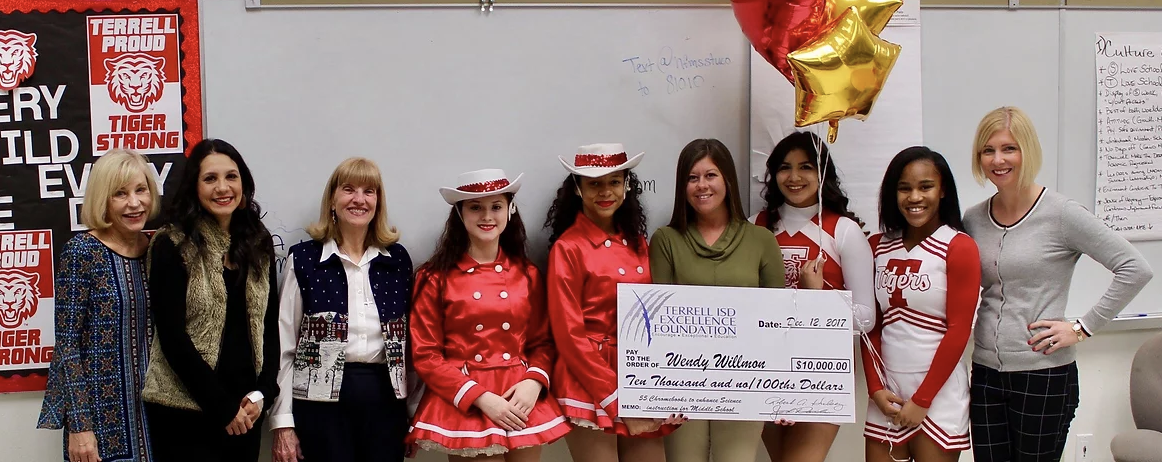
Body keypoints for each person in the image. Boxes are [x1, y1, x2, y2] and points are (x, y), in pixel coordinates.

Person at [963, 107, 1154, 461]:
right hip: (986, 373)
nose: (998, 159)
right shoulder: (973, 219)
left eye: (1009, 148)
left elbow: (1134, 268)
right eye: (988, 150)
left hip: (1043, 376)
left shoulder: (1061, 214)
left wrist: (1082, 328)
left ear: (1028, 151)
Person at [407, 169, 569, 460]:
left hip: (521, 398)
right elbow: (426, 355)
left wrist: (534, 383)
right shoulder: (434, 278)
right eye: (476, 207)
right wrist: (480, 398)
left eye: (496, 206)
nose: (487, 216)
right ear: (459, 213)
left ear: (510, 210)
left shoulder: (528, 275)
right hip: (468, 400)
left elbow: (543, 342)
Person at [141, 139, 280, 462]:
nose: (222, 188)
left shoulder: (258, 243)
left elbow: (268, 326)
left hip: (246, 412)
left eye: (231, 177)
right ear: (194, 187)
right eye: (210, 179)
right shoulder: (172, 243)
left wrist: (262, 394)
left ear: (243, 184)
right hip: (184, 412)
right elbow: (173, 339)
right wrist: (223, 407)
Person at [543, 143, 683, 462]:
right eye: (594, 183)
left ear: (626, 185)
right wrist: (617, 399)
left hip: (640, 373)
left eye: (614, 182)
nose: (605, 192)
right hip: (588, 378)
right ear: (578, 189)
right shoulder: (568, 248)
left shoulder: (639, 243)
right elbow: (568, 336)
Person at [269, 157, 414, 462]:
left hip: (385, 404)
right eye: (349, 189)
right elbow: (284, 346)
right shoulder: (306, 260)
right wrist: (283, 423)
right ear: (333, 199)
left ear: (378, 202)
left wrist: (414, 414)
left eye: (369, 191)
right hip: (320, 408)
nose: (359, 199)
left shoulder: (397, 261)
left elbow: (410, 346)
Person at [650, 138, 785, 462]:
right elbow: (657, 325)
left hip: (746, 383)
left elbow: (778, 322)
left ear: (727, 180)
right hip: (682, 383)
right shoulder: (665, 240)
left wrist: (783, 391)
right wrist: (661, 393)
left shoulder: (761, 240)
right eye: (692, 178)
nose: (701, 186)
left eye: (710, 175)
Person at [752, 131, 876, 462]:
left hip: (824, 369)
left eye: (805, 167)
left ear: (823, 173)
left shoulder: (844, 231)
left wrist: (816, 300)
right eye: (784, 167)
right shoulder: (755, 227)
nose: (794, 177)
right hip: (764, 368)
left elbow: (866, 316)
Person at [37, 149, 161, 462]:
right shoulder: (82, 253)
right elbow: (67, 346)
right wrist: (79, 426)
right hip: (100, 423)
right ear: (102, 199)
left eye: (140, 190)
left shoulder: (159, 250)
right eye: (120, 194)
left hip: (159, 419)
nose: (134, 203)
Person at [861, 147, 980, 462]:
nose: (914, 197)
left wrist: (923, 399)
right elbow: (869, 327)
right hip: (888, 392)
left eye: (925, 186)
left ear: (942, 191)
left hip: (938, 394)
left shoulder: (959, 246)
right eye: (904, 188)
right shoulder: (876, 246)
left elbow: (959, 330)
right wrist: (875, 388)